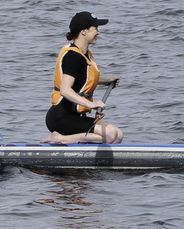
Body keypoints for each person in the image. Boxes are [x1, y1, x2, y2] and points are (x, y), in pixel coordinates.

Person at [41, 11, 123, 144]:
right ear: (84, 31)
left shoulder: (83, 54)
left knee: (118, 135)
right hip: (60, 117)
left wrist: (107, 80)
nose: (98, 32)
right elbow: (65, 90)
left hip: (73, 116)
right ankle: (60, 139)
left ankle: (82, 148)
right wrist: (91, 104)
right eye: (95, 28)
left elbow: (83, 79)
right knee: (110, 135)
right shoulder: (74, 57)